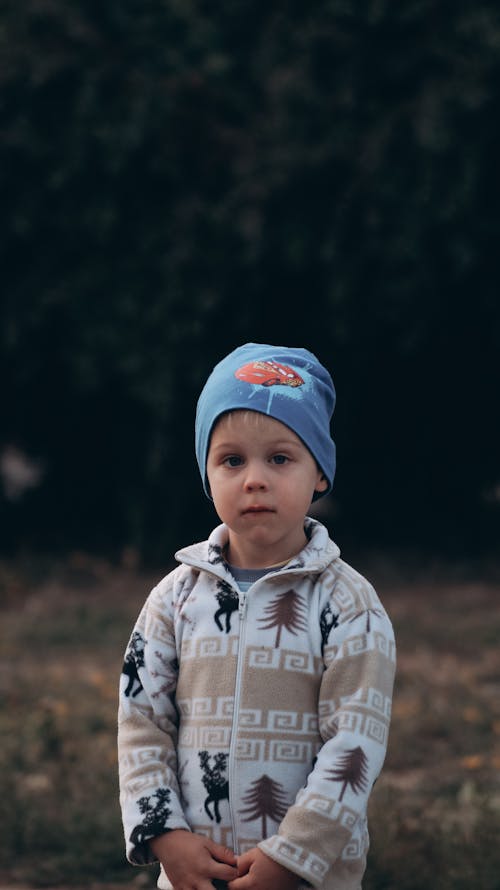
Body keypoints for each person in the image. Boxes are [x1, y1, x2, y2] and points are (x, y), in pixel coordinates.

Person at [118, 343, 396, 890]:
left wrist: (293, 857)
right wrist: (164, 835)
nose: (255, 479)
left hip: (307, 876)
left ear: (319, 472)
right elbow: (141, 720)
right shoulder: (174, 599)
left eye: (280, 458)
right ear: (207, 472)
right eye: (232, 460)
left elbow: (354, 744)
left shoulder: (348, 604)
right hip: (197, 871)